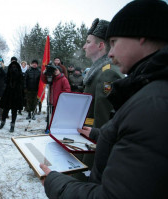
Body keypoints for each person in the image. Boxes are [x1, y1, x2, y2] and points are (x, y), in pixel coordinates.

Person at [40, 1, 168, 198]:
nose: (111, 52)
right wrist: (100, 134)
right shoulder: (151, 90)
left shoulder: (152, 100)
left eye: (115, 42)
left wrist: (59, 183)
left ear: (141, 36)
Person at [82, 18, 124, 128]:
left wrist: (97, 139)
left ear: (100, 46)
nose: (84, 46)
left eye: (88, 42)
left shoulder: (108, 73)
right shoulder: (98, 71)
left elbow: (104, 117)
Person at [0, 61, 23, 132]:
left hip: (16, 94)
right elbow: (5, 81)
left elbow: (21, 83)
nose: (13, 67)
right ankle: (2, 123)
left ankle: (12, 125)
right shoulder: (8, 73)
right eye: (12, 66)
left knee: (14, 111)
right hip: (8, 94)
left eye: (15, 66)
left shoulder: (20, 74)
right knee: (5, 110)